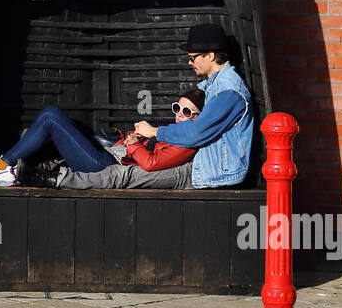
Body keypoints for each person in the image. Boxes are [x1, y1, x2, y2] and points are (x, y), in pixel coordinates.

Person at [58, 22, 254, 190]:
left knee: (124, 175)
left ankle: (59, 179)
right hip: (202, 166)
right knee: (123, 172)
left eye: (193, 57)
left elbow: (196, 133)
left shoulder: (228, 92)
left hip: (211, 174)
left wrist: (155, 132)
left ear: (210, 55)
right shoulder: (217, 87)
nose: (189, 62)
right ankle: (59, 173)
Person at [0, 87, 205, 188]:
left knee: (51, 116)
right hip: (112, 154)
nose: (179, 116)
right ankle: (19, 165)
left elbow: (152, 163)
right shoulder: (175, 130)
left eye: (186, 112)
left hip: (105, 166)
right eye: (177, 108)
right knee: (60, 123)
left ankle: (2, 166)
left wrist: (134, 145)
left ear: (200, 117)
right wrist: (132, 139)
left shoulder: (187, 144)